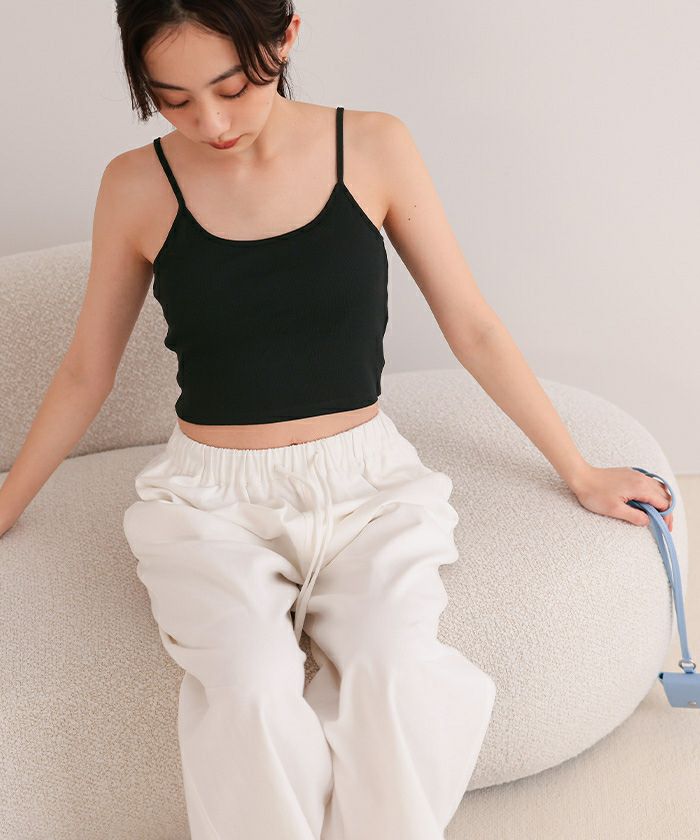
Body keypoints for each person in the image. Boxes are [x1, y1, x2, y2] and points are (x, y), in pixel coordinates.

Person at [0, 1, 675, 838]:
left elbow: (472, 325)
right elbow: (84, 372)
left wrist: (579, 470)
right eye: (173, 100)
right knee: (249, 690)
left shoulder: (375, 147)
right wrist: (8, 503)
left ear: (285, 36)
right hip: (211, 505)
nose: (211, 123)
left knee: (395, 674)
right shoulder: (135, 185)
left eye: (233, 87)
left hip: (367, 489)